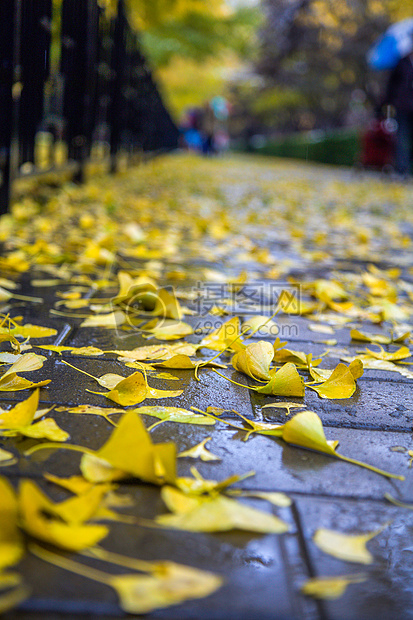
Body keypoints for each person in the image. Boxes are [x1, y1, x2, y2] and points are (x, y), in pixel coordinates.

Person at [382, 51, 413, 176]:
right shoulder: (401, 63)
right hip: (403, 107)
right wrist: (387, 103)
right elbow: (391, 85)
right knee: (401, 138)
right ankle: (401, 169)